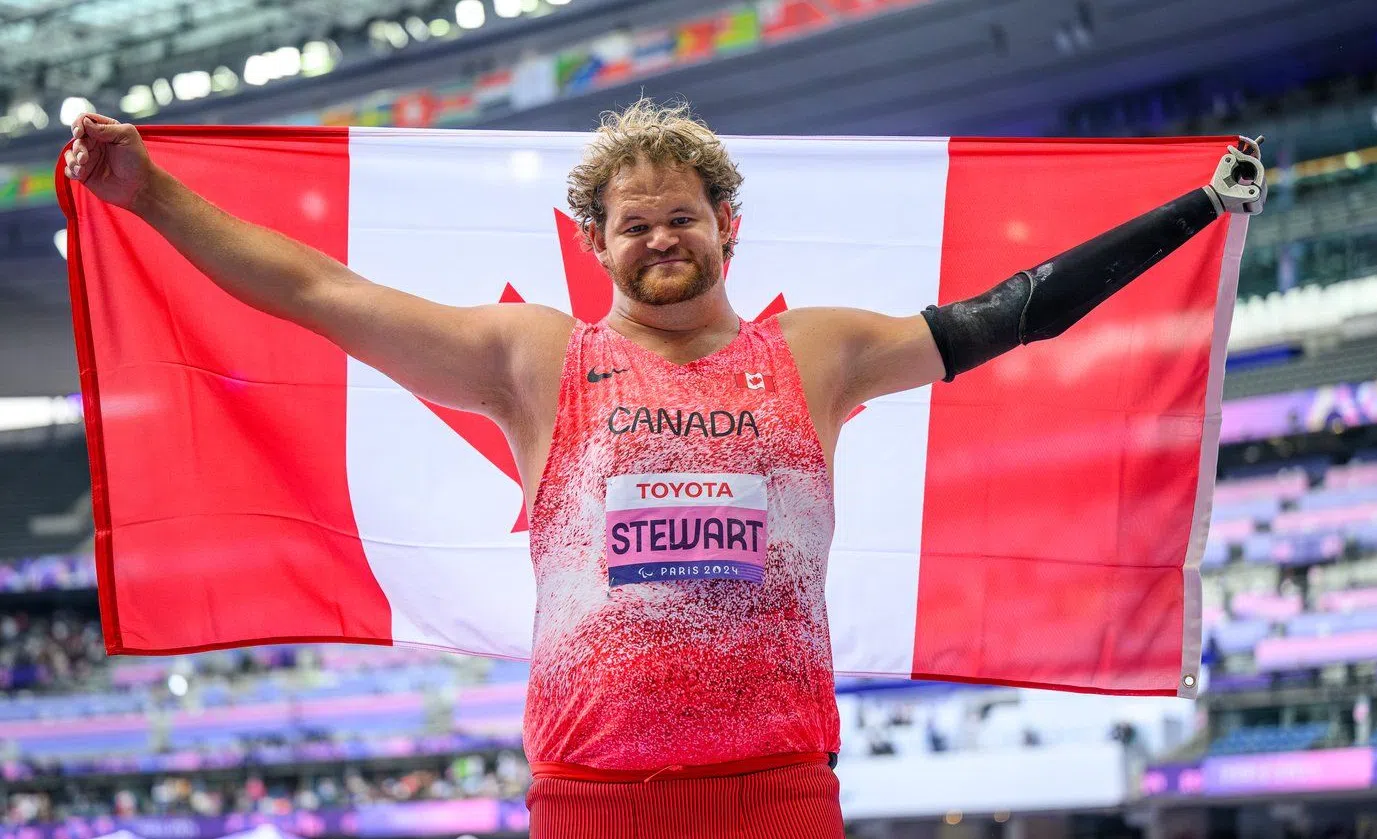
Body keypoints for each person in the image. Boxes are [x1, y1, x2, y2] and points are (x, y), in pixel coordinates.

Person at [63, 99, 1265, 838]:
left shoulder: (817, 352)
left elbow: (1011, 313)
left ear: (727, 222)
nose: (660, 238)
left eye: (682, 214)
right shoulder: (536, 359)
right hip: (592, 801)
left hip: (779, 796)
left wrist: (1193, 211)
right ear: (596, 244)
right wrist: (151, 191)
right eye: (633, 223)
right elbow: (319, 292)